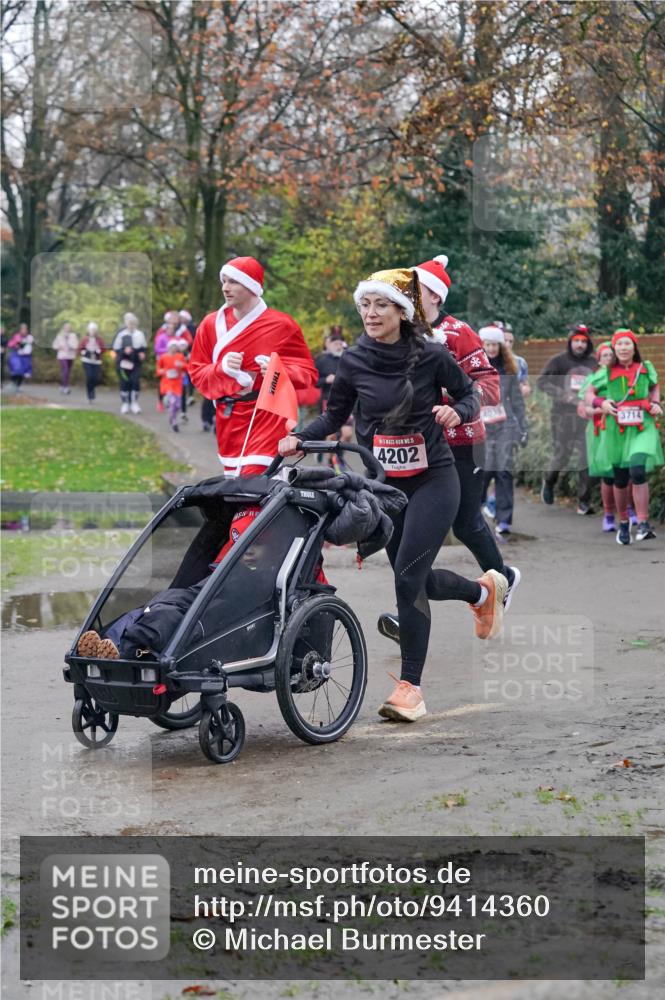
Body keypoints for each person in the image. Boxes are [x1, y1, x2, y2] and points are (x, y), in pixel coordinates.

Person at [278, 267, 508, 724]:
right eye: (365, 305)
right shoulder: (354, 360)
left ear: (403, 311)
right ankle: (481, 593)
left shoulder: (431, 355)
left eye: (381, 304)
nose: (371, 313)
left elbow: (471, 395)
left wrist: (452, 410)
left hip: (434, 479)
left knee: (406, 578)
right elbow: (335, 414)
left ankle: (411, 689)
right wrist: (301, 438)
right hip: (385, 485)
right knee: (414, 580)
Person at [399, 255, 520, 610]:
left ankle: (503, 579)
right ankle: (408, 608)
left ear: (434, 296)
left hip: (462, 445)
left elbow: (490, 386)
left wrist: (454, 398)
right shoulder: (402, 331)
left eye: (414, 289)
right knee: (418, 522)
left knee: (466, 523)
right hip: (418, 444)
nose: (407, 294)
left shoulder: (458, 332)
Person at [188, 255, 317, 477]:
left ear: (251, 286)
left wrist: (279, 371)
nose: (225, 288)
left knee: (255, 479)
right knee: (235, 485)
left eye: (233, 282)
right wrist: (222, 368)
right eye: (224, 281)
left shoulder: (281, 325)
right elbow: (197, 372)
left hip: (266, 415)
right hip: (228, 417)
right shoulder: (210, 324)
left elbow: (308, 374)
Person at [581, 329, 662, 544]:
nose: (624, 348)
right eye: (620, 344)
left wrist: (656, 403)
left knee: (637, 469)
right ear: (614, 348)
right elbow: (588, 394)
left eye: (628, 344)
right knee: (620, 478)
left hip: (642, 427)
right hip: (616, 429)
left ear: (634, 347)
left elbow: (654, 388)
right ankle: (624, 522)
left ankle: (643, 523)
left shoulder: (645, 368)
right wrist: (602, 403)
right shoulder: (606, 371)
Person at [537, 323, 598, 513]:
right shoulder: (558, 361)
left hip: (587, 416)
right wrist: (564, 395)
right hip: (563, 416)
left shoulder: (594, 364)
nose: (579, 345)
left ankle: (584, 501)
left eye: (583, 341)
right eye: (576, 341)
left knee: (587, 458)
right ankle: (549, 481)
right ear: (570, 342)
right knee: (562, 455)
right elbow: (542, 382)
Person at [479, 325, 528, 536]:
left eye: (494, 345)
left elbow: (517, 402)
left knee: (504, 470)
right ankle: (477, 507)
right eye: (487, 344)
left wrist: (523, 428)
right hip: (481, 426)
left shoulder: (509, 370)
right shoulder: (473, 367)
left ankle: (504, 519)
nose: (491, 349)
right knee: (484, 470)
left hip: (505, 425)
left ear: (501, 346)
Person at [112, 313, 147, 414]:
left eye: (133, 324)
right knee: (125, 382)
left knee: (135, 381)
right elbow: (115, 348)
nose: (131, 326)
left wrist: (142, 353)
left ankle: (134, 403)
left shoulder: (140, 334)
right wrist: (124, 351)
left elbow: (143, 347)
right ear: (126, 324)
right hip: (123, 362)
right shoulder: (121, 334)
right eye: (129, 324)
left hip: (135, 362)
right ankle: (125, 403)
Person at [156, 340, 188, 432]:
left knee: (177, 405)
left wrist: (181, 365)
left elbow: (187, 367)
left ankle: (171, 416)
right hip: (167, 382)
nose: (174, 348)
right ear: (169, 347)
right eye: (172, 346)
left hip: (177, 383)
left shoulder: (180, 356)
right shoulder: (163, 357)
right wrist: (161, 371)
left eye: (175, 347)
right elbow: (158, 369)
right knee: (172, 402)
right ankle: (174, 421)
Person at [154, 312, 177, 412]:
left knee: (173, 381)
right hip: (163, 362)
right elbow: (157, 349)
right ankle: (160, 401)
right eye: (169, 329)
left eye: (172, 329)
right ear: (166, 329)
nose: (171, 330)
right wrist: (167, 351)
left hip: (173, 364)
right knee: (163, 382)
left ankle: (170, 400)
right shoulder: (161, 337)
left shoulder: (175, 338)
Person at [79, 323, 106, 402]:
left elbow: (103, 349)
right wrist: (84, 351)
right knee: (89, 377)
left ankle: (92, 390)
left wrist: (98, 350)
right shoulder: (85, 339)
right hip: (87, 360)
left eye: (94, 330)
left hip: (96, 361)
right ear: (88, 330)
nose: (92, 331)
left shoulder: (99, 339)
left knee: (95, 378)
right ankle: (90, 395)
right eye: (91, 330)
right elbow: (80, 348)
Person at [52, 322, 80, 394]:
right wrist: (59, 347)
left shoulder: (73, 336)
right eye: (66, 327)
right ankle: (66, 386)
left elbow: (76, 345)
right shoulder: (60, 335)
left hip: (70, 356)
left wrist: (70, 344)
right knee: (66, 370)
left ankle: (62, 385)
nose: (67, 329)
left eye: (69, 327)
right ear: (63, 328)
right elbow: (54, 345)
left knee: (67, 371)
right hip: (62, 356)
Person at [502, 325, 531, 397]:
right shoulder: (489, 361)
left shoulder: (521, 362)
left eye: (510, 341)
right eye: (505, 340)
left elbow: (525, 384)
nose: (508, 344)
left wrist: (525, 389)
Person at [7, 323, 34, 392]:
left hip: (25, 356)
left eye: (25, 329)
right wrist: (15, 345)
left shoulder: (29, 337)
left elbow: (30, 347)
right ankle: (14, 383)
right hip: (17, 356)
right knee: (17, 370)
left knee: (23, 372)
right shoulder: (17, 336)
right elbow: (10, 344)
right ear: (20, 330)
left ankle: (18, 386)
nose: (24, 331)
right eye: (22, 329)